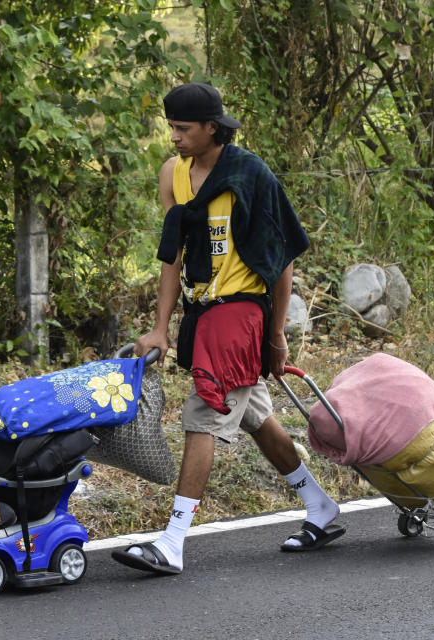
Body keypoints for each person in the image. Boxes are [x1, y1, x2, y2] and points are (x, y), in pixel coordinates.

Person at [111, 82, 344, 575]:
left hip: (240, 314)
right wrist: (161, 327)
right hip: (201, 313)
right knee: (256, 417)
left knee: (204, 414)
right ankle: (321, 508)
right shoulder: (172, 176)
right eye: (170, 126)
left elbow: (281, 262)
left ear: (211, 128)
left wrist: (276, 335)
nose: (173, 137)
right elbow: (173, 255)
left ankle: (172, 541)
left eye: (183, 128)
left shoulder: (249, 174)